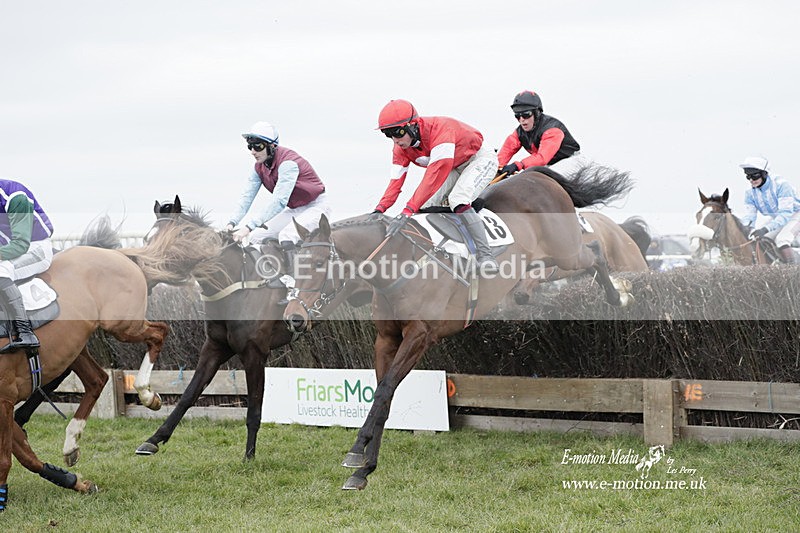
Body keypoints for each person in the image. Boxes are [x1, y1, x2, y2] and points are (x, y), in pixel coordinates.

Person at [373, 99, 499, 272]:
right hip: (455, 165)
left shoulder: (440, 131)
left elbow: (435, 175)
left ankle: (486, 256)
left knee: (458, 199)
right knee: (424, 207)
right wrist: (379, 210)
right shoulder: (400, 148)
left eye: (398, 132)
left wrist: (407, 210)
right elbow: (395, 182)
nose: (395, 140)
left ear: (413, 125)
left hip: (479, 159)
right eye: (389, 134)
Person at [226, 121, 332, 285]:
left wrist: (247, 227)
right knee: (257, 237)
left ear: (272, 146)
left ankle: (294, 283)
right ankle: (265, 278)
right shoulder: (259, 167)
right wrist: (232, 223)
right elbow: (246, 197)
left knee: (286, 235)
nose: (253, 151)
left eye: (258, 146)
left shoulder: (288, 164)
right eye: (250, 146)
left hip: (317, 206)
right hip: (296, 209)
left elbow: (279, 202)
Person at [0, 179, 54, 352]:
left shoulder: (15, 197)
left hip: (36, 248)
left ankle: (26, 332)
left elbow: (21, 244)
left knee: (2, 270)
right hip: (11, 250)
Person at [496, 90, 582, 178]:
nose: (521, 119)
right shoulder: (519, 132)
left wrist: (518, 165)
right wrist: (496, 167)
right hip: (551, 164)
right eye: (517, 115)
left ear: (537, 113)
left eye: (526, 114)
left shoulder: (552, 129)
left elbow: (542, 158)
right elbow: (506, 151)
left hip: (571, 161)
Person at [739, 156, 800, 264]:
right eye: (748, 177)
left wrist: (765, 229)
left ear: (764, 173)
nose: (751, 180)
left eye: (755, 176)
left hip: (795, 215)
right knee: (762, 240)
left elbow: (785, 214)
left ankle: (793, 273)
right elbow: (750, 217)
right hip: (778, 218)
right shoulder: (749, 193)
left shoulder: (782, 185)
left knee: (782, 240)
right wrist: (745, 229)